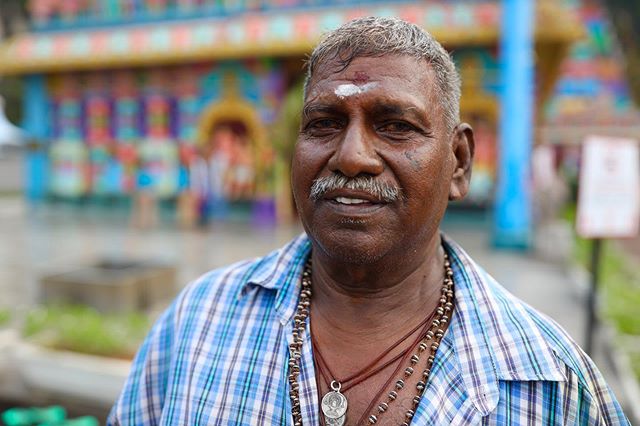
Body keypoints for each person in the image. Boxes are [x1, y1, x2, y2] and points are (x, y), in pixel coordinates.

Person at [109, 17, 629, 425]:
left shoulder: (547, 380)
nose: (352, 156)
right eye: (324, 124)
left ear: (459, 162)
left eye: (395, 126)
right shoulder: (196, 325)